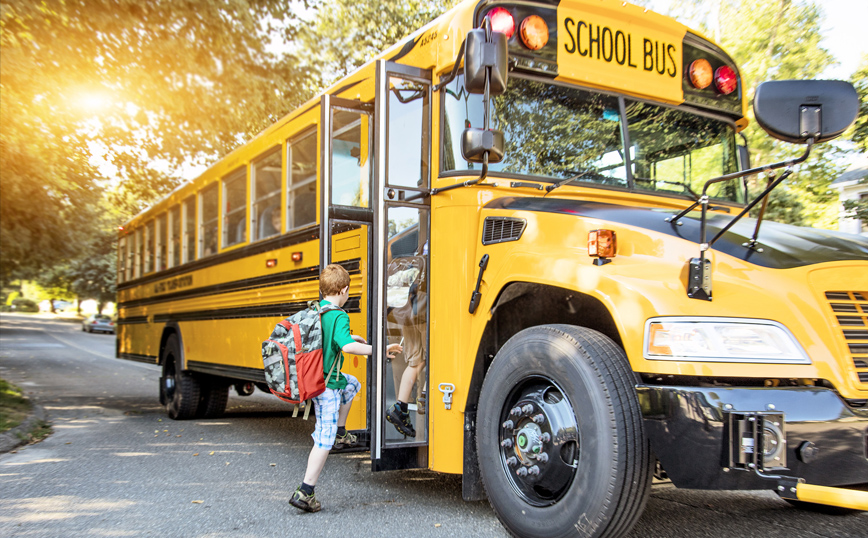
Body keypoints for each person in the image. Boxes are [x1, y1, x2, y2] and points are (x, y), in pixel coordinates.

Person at [289, 263, 402, 513]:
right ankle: (305, 491)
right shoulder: (339, 314)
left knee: (352, 384)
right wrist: (378, 350)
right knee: (323, 440)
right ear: (344, 290)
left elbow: (336, 340)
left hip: (320, 380)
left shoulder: (318, 310)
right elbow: (347, 348)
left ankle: (341, 430)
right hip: (326, 388)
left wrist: (352, 338)